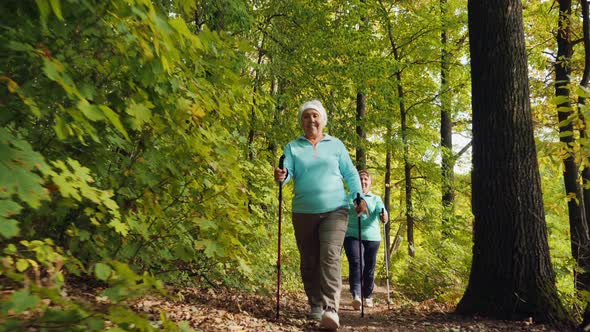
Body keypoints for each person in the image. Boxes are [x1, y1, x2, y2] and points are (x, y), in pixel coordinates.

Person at [274, 99, 367, 330]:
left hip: (336, 209)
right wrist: (282, 176)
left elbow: (350, 173)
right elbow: (288, 174)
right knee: (309, 260)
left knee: (330, 256)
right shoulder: (293, 147)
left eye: (315, 116)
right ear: (301, 121)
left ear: (322, 120)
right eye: (306, 116)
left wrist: (359, 197)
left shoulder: (336, 145)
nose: (311, 120)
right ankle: (315, 303)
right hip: (304, 211)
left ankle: (330, 309)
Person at [343, 169, 388, 310]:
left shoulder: (376, 198)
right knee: (356, 263)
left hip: (372, 237)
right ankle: (356, 295)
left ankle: (368, 295)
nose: (363, 182)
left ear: (370, 183)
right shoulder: (349, 197)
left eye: (365, 180)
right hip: (352, 235)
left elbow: (383, 213)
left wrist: (384, 216)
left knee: (369, 267)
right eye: (360, 179)